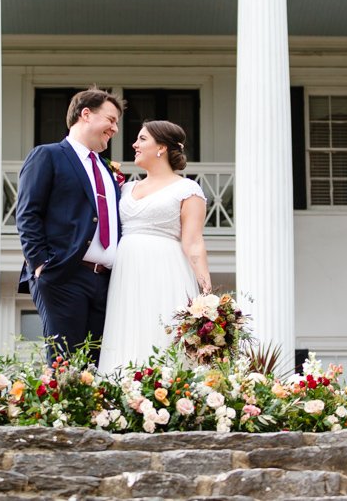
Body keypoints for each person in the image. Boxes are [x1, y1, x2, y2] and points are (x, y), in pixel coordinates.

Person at [16, 87, 125, 365]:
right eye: (110, 120)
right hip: (64, 275)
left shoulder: (105, 169)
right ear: (85, 114)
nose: (114, 129)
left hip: (104, 282)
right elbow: (28, 213)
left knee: (98, 365)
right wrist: (40, 264)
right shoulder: (48, 155)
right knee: (65, 364)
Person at [98, 120, 212, 372]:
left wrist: (206, 294)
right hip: (126, 275)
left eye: (142, 139)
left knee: (160, 330)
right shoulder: (125, 188)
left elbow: (193, 243)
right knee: (125, 330)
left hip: (165, 270)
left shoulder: (187, 189)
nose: (134, 144)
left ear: (161, 147)